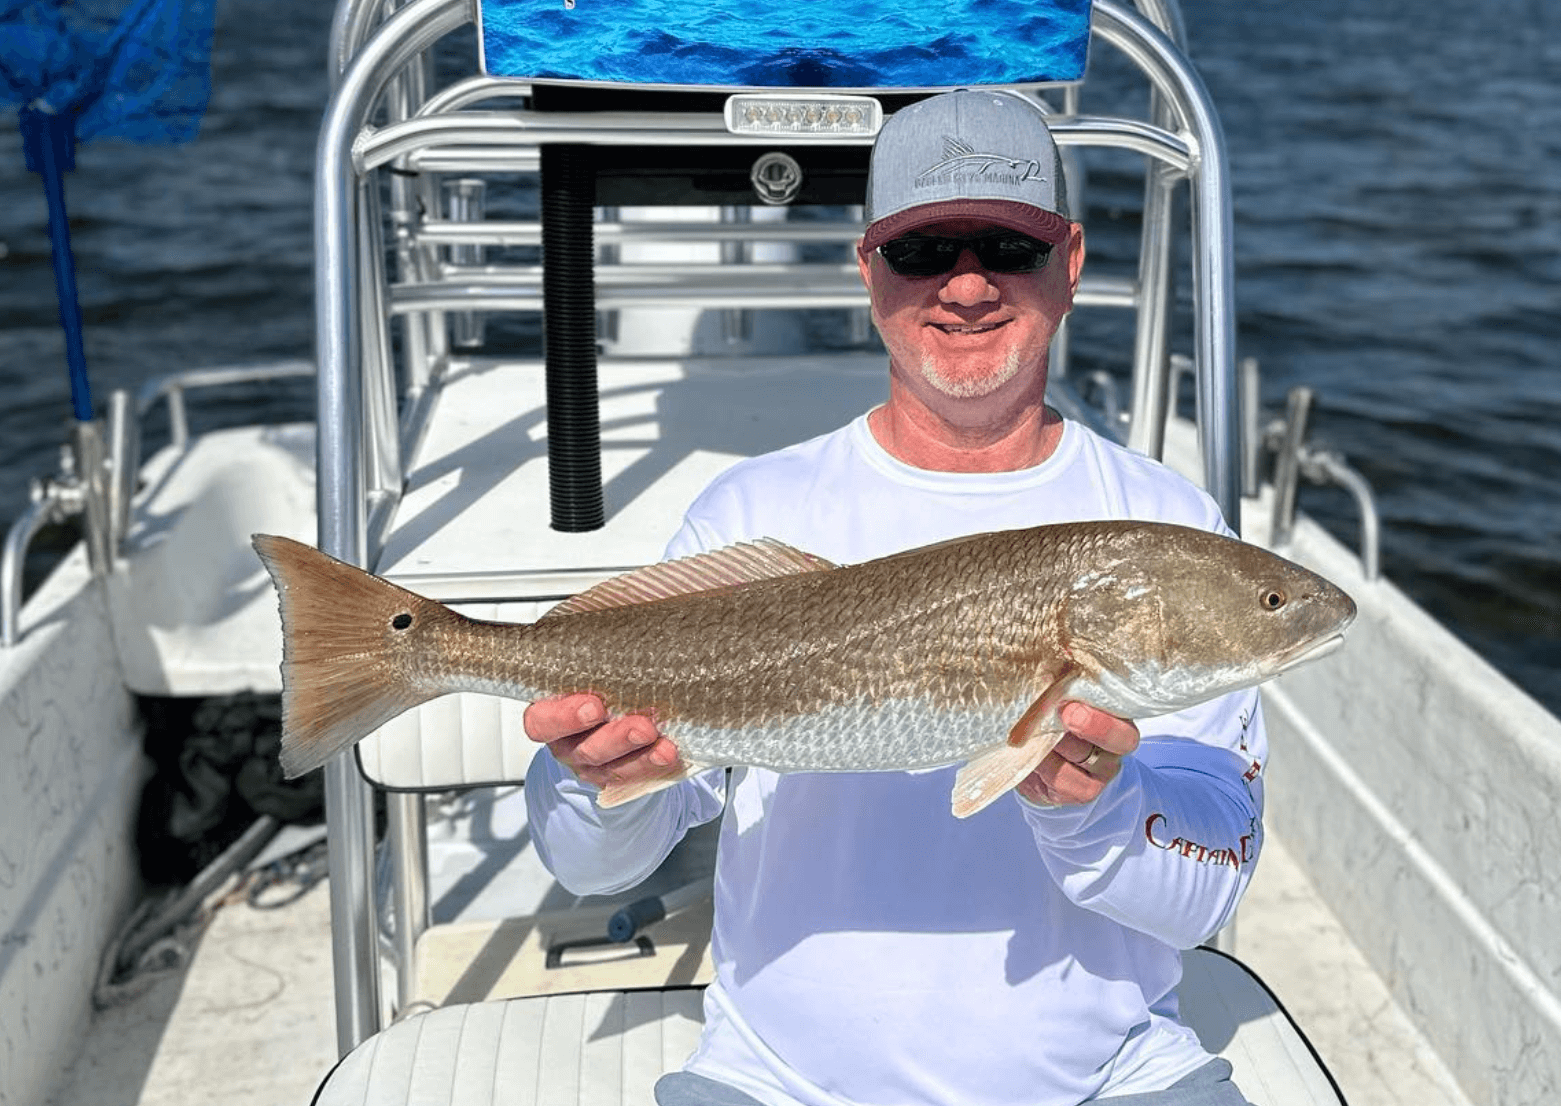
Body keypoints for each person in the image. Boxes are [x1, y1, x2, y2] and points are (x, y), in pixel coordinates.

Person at [522, 89, 1267, 1106]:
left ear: (1072, 261)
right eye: (924, 252)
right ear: (869, 267)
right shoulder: (753, 507)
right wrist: (589, 778)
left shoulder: (1164, 527)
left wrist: (1099, 807)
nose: (967, 287)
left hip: (1114, 1079)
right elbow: (593, 865)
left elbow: (1211, 878)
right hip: (776, 1082)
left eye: (1006, 244)